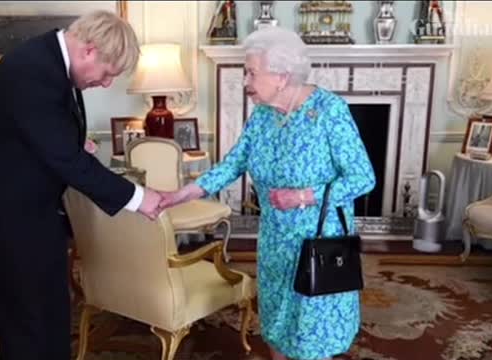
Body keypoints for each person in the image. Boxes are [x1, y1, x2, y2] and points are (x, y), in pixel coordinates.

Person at [0, 10, 162, 360]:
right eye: (108, 74)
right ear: (89, 50)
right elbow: (63, 158)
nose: (106, 84)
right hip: (5, 216)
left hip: (32, 209)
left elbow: (50, 136)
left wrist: (73, 142)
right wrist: (138, 197)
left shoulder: (51, 61)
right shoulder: (31, 72)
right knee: (26, 321)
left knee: (51, 308)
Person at [159, 27, 375, 360]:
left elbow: (363, 178)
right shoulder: (263, 114)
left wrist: (303, 196)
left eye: (251, 73)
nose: (245, 81)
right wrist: (183, 193)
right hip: (275, 240)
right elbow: (233, 164)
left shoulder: (329, 112)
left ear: (282, 75)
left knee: (310, 333)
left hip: (318, 241)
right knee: (276, 323)